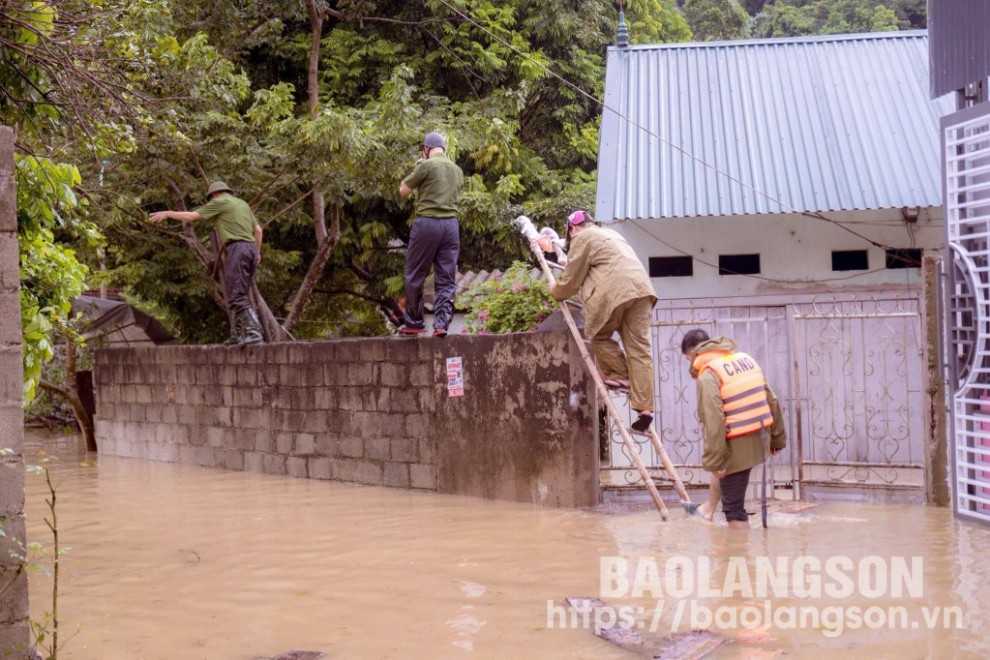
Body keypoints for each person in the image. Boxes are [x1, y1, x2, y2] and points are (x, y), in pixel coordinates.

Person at [548, 210, 657, 432]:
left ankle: (620, 375)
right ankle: (645, 408)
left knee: (597, 333)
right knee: (639, 350)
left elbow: (570, 282)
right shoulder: (612, 235)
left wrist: (555, 290)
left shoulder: (581, 238)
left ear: (572, 229)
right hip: (642, 291)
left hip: (615, 292)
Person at [680, 329, 786, 529]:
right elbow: (772, 399)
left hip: (737, 443)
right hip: (759, 437)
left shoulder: (709, 374)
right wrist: (777, 438)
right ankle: (707, 511)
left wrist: (715, 461)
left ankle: (738, 557)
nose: (690, 364)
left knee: (733, 509)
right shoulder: (744, 359)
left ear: (694, 352)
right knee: (732, 495)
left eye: (688, 359)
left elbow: (714, 421)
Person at [149, 181, 264, 345]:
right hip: (251, 248)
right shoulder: (243, 204)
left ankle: (254, 333)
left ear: (214, 195)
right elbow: (258, 231)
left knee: (236, 295)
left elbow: (192, 217)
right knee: (237, 294)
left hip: (237, 249)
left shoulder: (219, 202)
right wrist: (257, 252)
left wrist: (168, 213)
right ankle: (237, 335)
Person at [397, 131, 464, 337]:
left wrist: (418, 166)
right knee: (446, 277)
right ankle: (442, 324)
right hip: (451, 226)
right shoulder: (457, 170)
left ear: (426, 149)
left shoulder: (424, 165)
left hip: (427, 223)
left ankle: (415, 322)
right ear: (443, 148)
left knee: (415, 273)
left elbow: (403, 191)